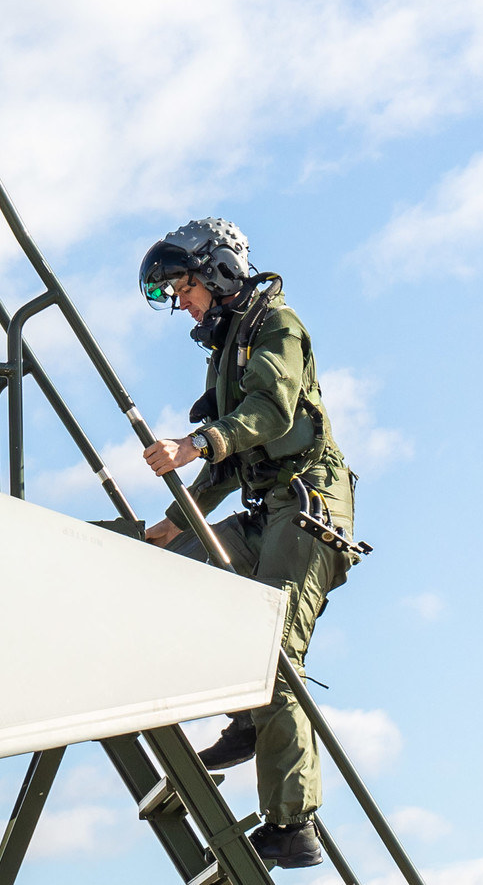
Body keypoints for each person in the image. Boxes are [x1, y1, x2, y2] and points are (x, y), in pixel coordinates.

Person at [136, 218, 359, 871]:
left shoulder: (277, 327)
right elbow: (233, 462)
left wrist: (194, 443)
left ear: (216, 271)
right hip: (267, 509)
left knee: (276, 654)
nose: (182, 302)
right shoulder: (229, 344)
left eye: (183, 287)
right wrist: (177, 522)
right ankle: (242, 707)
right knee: (173, 571)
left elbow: (270, 415)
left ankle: (292, 823)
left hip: (309, 506)